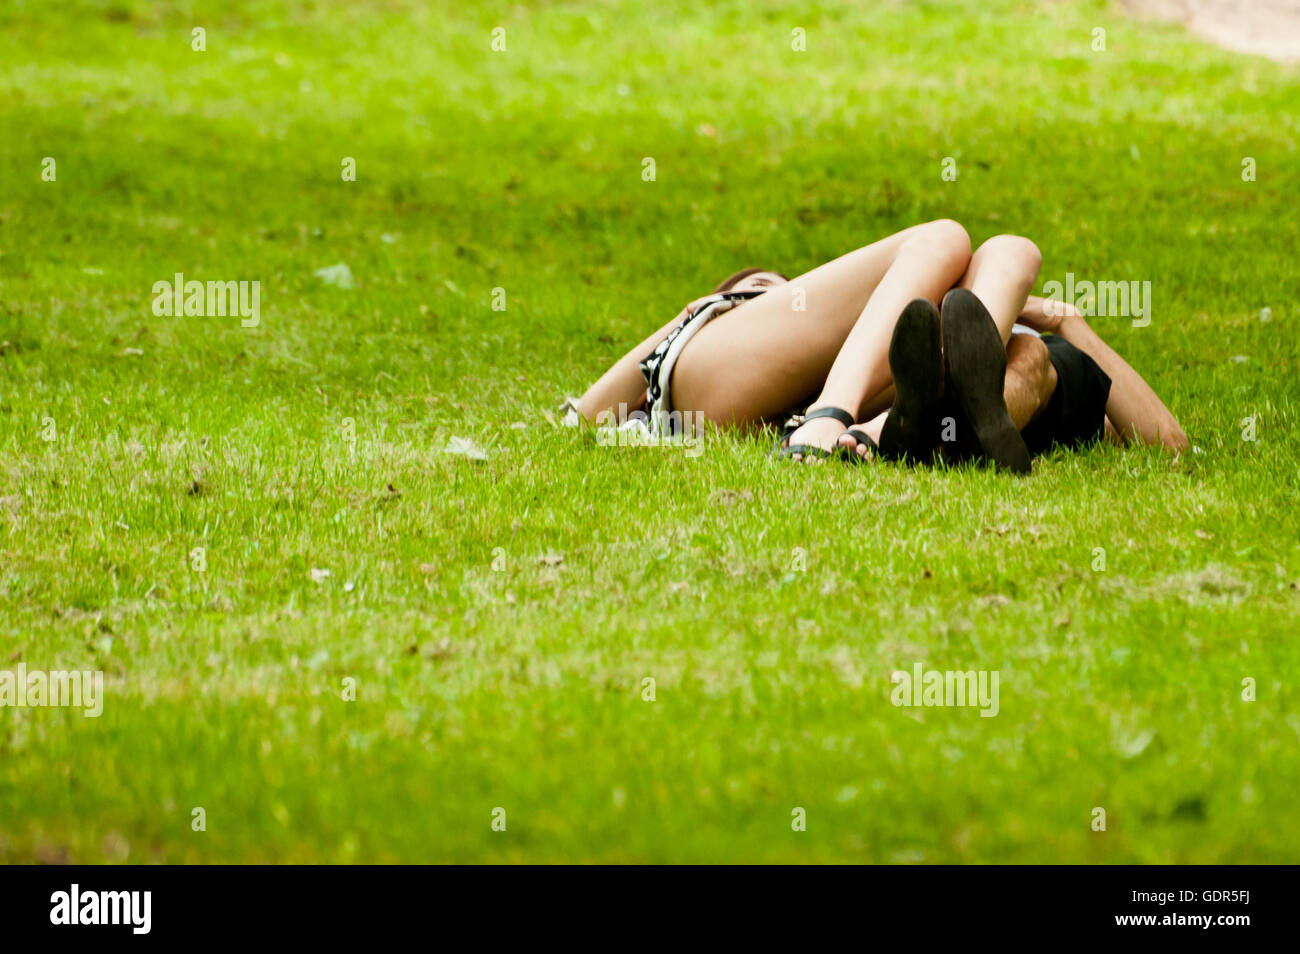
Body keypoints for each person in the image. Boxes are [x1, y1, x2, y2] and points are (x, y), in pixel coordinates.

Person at [572, 221, 1188, 471]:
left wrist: (1063, 319)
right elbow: (599, 403)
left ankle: (885, 424)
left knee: (1010, 256)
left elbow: (1169, 446)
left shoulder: (981, 347)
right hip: (729, 384)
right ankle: (831, 416)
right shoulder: (721, 324)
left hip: (907, 411)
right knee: (960, 241)